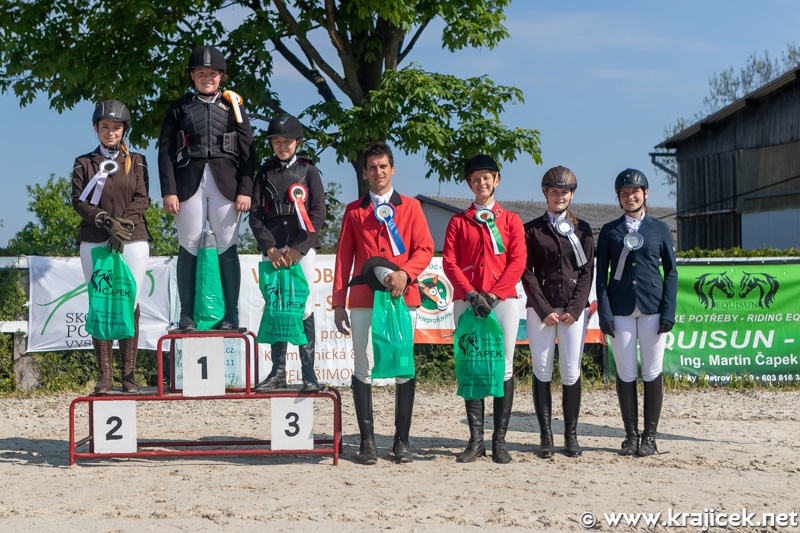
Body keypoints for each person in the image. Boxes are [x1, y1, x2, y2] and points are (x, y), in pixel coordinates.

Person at [332, 142, 434, 465]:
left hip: (403, 298)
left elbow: (425, 248)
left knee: (403, 365)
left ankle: (402, 441)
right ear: (365, 172)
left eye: (383, 166)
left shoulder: (412, 208)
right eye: (372, 167)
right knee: (362, 365)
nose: (378, 172)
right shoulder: (354, 211)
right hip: (364, 298)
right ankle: (367, 441)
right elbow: (343, 258)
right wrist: (338, 303)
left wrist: (406, 273)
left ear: (393, 169)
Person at [158, 45, 256, 331]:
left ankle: (232, 315)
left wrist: (246, 189)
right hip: (189, 184)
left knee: (228, 246)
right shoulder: (179, 108)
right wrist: (168, 190)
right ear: (192, 76)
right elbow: (165, 151)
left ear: (220, 76)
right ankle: (186, 315)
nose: (207, 78)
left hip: (227, 185)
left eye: (212, 74)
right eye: (201, 73)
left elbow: (249, 150)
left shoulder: (233, 106)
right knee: (188, 245)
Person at [442, 154, 526, 464]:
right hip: (467, 300)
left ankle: (499, 439)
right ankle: (476, 440)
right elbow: (449, 261)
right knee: (471, 365)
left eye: (487, 177)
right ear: (469, 184)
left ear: (496, 180)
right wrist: (471, 293)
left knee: (504, 366)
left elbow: (518, 260)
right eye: (475, 179)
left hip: (502, 301)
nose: (482, 183)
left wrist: (493, 295)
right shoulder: (458, 221)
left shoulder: (511, 220)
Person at [71, 99, 151, 394]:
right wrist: (105, 221)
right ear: (96, 128)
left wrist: (123, 226)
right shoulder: (83, 163)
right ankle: (105, 375)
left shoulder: (137, 160)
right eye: (105, 127)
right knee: (100, 300)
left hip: (133, 237)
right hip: (94, 237)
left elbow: (142, 198)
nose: (110, 132)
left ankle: (129, 374)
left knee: (130, 302)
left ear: (123, 130)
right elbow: (78, 200)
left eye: (116, 127)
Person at [595, 169, 677, 457]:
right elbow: (601, 277)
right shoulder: (610, 231)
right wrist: (605, 314)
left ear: (645, 194)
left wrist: (668, 310)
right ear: (619, 198)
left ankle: (650, 437)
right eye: (624, 193)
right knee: (626, 371)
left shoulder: (660, 229)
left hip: (652, 307)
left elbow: (671, 272)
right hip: (621, 309)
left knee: (652, 371)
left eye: (635, 192)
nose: (630, 197)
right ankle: (630, 435)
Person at [521, 166, 594, 458]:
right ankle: (546, 435)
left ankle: (571, 435)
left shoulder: (583, 229)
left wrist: (575, 309)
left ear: (571, 194)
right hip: (542, 309)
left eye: (564, 192)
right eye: (554, 192)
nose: (559, 196)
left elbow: (587, 272)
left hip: (572, 311)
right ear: (545, 194)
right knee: (541, 369)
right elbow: (526, 272)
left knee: (570, 371)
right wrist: (543, 309)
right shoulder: (532, 229)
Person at [250, 113, 325, 392]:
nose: (283, 146)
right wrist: (269, 247)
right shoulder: (264, 173)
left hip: (301, 250)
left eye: (288, 141)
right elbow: (255, 216)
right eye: (277, 141)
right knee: (276, 306)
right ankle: (277, 372)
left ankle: (309, 374)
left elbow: (318, 213)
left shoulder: (309, 172)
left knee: (303, 307)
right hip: (272, 249)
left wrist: (298, 248)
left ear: (297, 142)